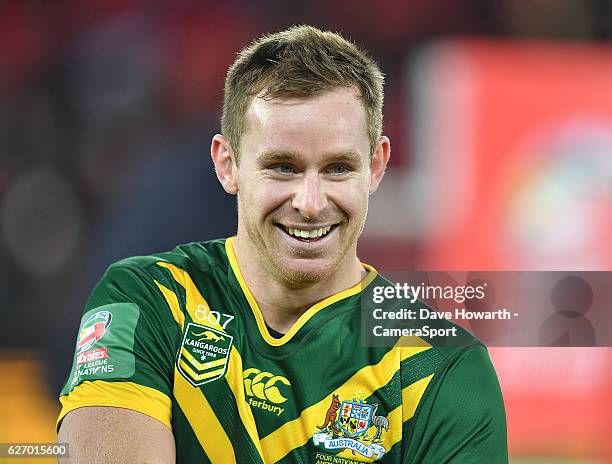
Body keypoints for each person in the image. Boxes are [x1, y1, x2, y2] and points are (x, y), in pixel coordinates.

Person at [57, 25, 507, 463]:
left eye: (337, 169)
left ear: (376, 166)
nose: (310, 204)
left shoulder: (443, 367)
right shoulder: (149, 300)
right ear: (227, 164)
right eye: (283, 168)